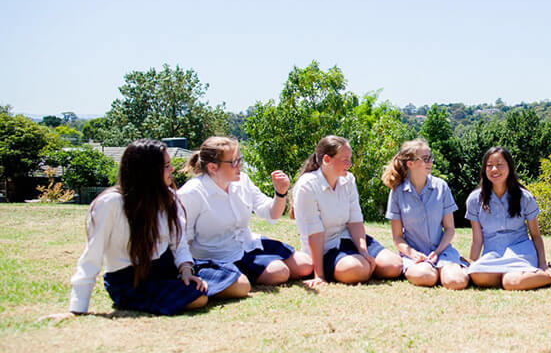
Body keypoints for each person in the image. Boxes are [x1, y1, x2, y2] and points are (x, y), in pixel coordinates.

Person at [61, 139, 249, 317]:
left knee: (241, 284)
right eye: (166, 166)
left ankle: (187, 291)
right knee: (198, 298)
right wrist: (78, 307)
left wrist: (185, 269)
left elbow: (179, 243)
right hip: (130, 279)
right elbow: (91, 256)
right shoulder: (111, 203)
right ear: (147, 171)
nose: (172, 169)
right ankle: (181, 294)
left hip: (168, 268)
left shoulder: (169, 197)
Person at [178, 136, 312, 288]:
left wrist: (280, 193)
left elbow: (271, 214)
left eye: (240, 159)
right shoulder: (192, 193)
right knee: (279, 272)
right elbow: (182, 239)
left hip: (248, 244)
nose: (240, 166)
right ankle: (244, 274)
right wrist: (187, 269)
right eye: (234, 162)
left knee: (306, 264)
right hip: (221, 256)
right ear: (212, 168)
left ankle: (266, 264)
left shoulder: (243, 181)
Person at [291, 135, 403, 287]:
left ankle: (362, 263)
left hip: (349, 239)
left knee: (394, 266)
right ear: (326, 160)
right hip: (326, 249)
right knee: (357, 270)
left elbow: (355, 221)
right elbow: (314, 232)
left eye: (350, 159)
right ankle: (354, 266)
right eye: (345, 160)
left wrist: (363, 251)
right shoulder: (307, 185)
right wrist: (319, 275)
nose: (349, 164)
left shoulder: (349, 180)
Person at [465, 146, 551, 290]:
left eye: (500, 165)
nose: (494, 169)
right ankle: (511, 276)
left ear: (509, 167)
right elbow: (477, 240)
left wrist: (543, 265)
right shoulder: (474, 199)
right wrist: (472, 263)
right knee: (477, 275)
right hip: (493, 254)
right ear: (484, 170)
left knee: (511, 282)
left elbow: (536, 235)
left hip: (520, 252)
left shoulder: (525, 197)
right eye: (489, 166)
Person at [382, 139, 469, 289]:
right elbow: (397, 237)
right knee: (426, 277)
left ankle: (451, 267)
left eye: (430, 158)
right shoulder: (397, 192)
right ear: (410, 163)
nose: (431, 162)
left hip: (442, 251)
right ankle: (434, 270)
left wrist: (437, 252)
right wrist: (412, 254)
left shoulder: (441, 187)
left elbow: (450, 229)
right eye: (425, 159)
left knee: (456, 282)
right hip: (414, 255)